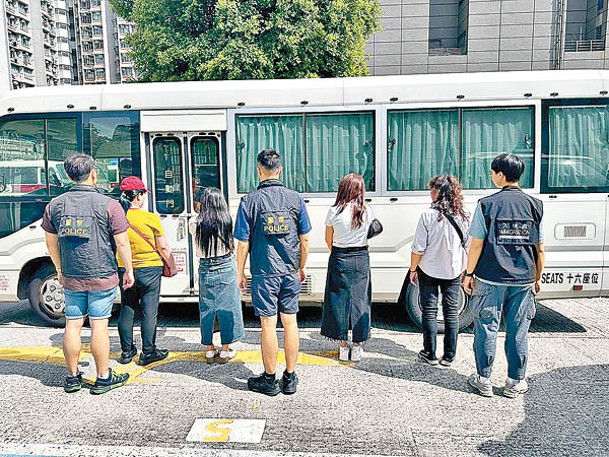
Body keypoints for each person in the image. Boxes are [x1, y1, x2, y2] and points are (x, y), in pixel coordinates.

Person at [42, 153, 134, 394]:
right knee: (99, 326)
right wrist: (129, 270)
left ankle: (72, 377)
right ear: (93, 174)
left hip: (71, 276)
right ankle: (103, 377)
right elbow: (123, 243)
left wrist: (59, 270)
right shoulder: (109, 205)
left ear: (69, 175)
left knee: (72, 324)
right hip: (102, 274)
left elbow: (51, 244)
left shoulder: (55, 205)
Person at [462, 153, 544, 398]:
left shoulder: (486, 204)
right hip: (524, 278)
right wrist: (537, 276)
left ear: (500, 175)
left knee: (486, 327)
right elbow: (539, 247)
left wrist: (469, 273)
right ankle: (515, 381)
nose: (491, 176)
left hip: (490, 277)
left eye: (492, 172)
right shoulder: (535, 205)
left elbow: (476, 245)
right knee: (519, 330)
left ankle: (483, 379)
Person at [234, 149, 311, 396]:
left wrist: (240, 272)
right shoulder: (295, 199)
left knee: (268, 324)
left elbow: (243, 243)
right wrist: (302, 266)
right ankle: (289, 377)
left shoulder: (249, 202)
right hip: (290, 271)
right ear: (280, 170)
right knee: (290, 322)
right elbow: (305, 238)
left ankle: (269, 379)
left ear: (258, 170)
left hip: (264, 272)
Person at [409, 175, 470, 367]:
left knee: (429, 311)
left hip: (429, 269)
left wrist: (413, 269)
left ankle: (430, 353)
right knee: (451, 313)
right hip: (453, 270)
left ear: (437, 192)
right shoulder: (463, 215)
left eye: (432, 189)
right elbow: (469, 246)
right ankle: (449, 356)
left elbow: (418, 248)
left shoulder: (428, 215)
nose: (430, 193)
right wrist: (468, 271)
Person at [116, 176, 172, 366]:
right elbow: (163, 247)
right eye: (143, 194)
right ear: (138, 196)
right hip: (150, 269)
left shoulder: (117, 217)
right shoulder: (150, 218)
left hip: (125, 268)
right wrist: (171, 264)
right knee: (149, 311)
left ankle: (126, 351)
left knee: (127, 308)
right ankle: (148, 352)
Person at [321, 173, 375, 362]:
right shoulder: (367, 211)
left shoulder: (334, 211)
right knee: (360, 301)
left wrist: (338, 250)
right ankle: (357, 346)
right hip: (361, 257)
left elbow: (328, 238)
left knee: (338, 300)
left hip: (339, 256)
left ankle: (343, 345)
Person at [189, 187, 244, 364]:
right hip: (226, 266)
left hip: (205, 268)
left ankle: (209, 349)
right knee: (227, 307)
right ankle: (226, 349)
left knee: (207, 308)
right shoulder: (229, 221)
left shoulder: (194, 223)